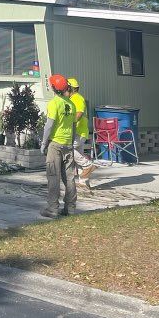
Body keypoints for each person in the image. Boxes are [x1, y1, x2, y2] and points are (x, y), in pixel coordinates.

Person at [39, 73, 77, 218]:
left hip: (55, 144)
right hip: (68, 144)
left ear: (54, 88)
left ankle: (52, 208)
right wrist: (71, 143)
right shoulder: (71, 104)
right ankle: (71, 208)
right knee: (69, 178)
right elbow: (73, 127)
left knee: (53, 176)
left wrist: (44, 143)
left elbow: (49, 125)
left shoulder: (54, 103)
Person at [67, 77, 96, 181]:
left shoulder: (77, 98)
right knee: (78, 155)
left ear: (70, 88)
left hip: (78, 131)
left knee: (69, 150)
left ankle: (88, 165)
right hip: (80, 131)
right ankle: (83, 182)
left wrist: (70, 124)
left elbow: (79, 112)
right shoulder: (74, 98)